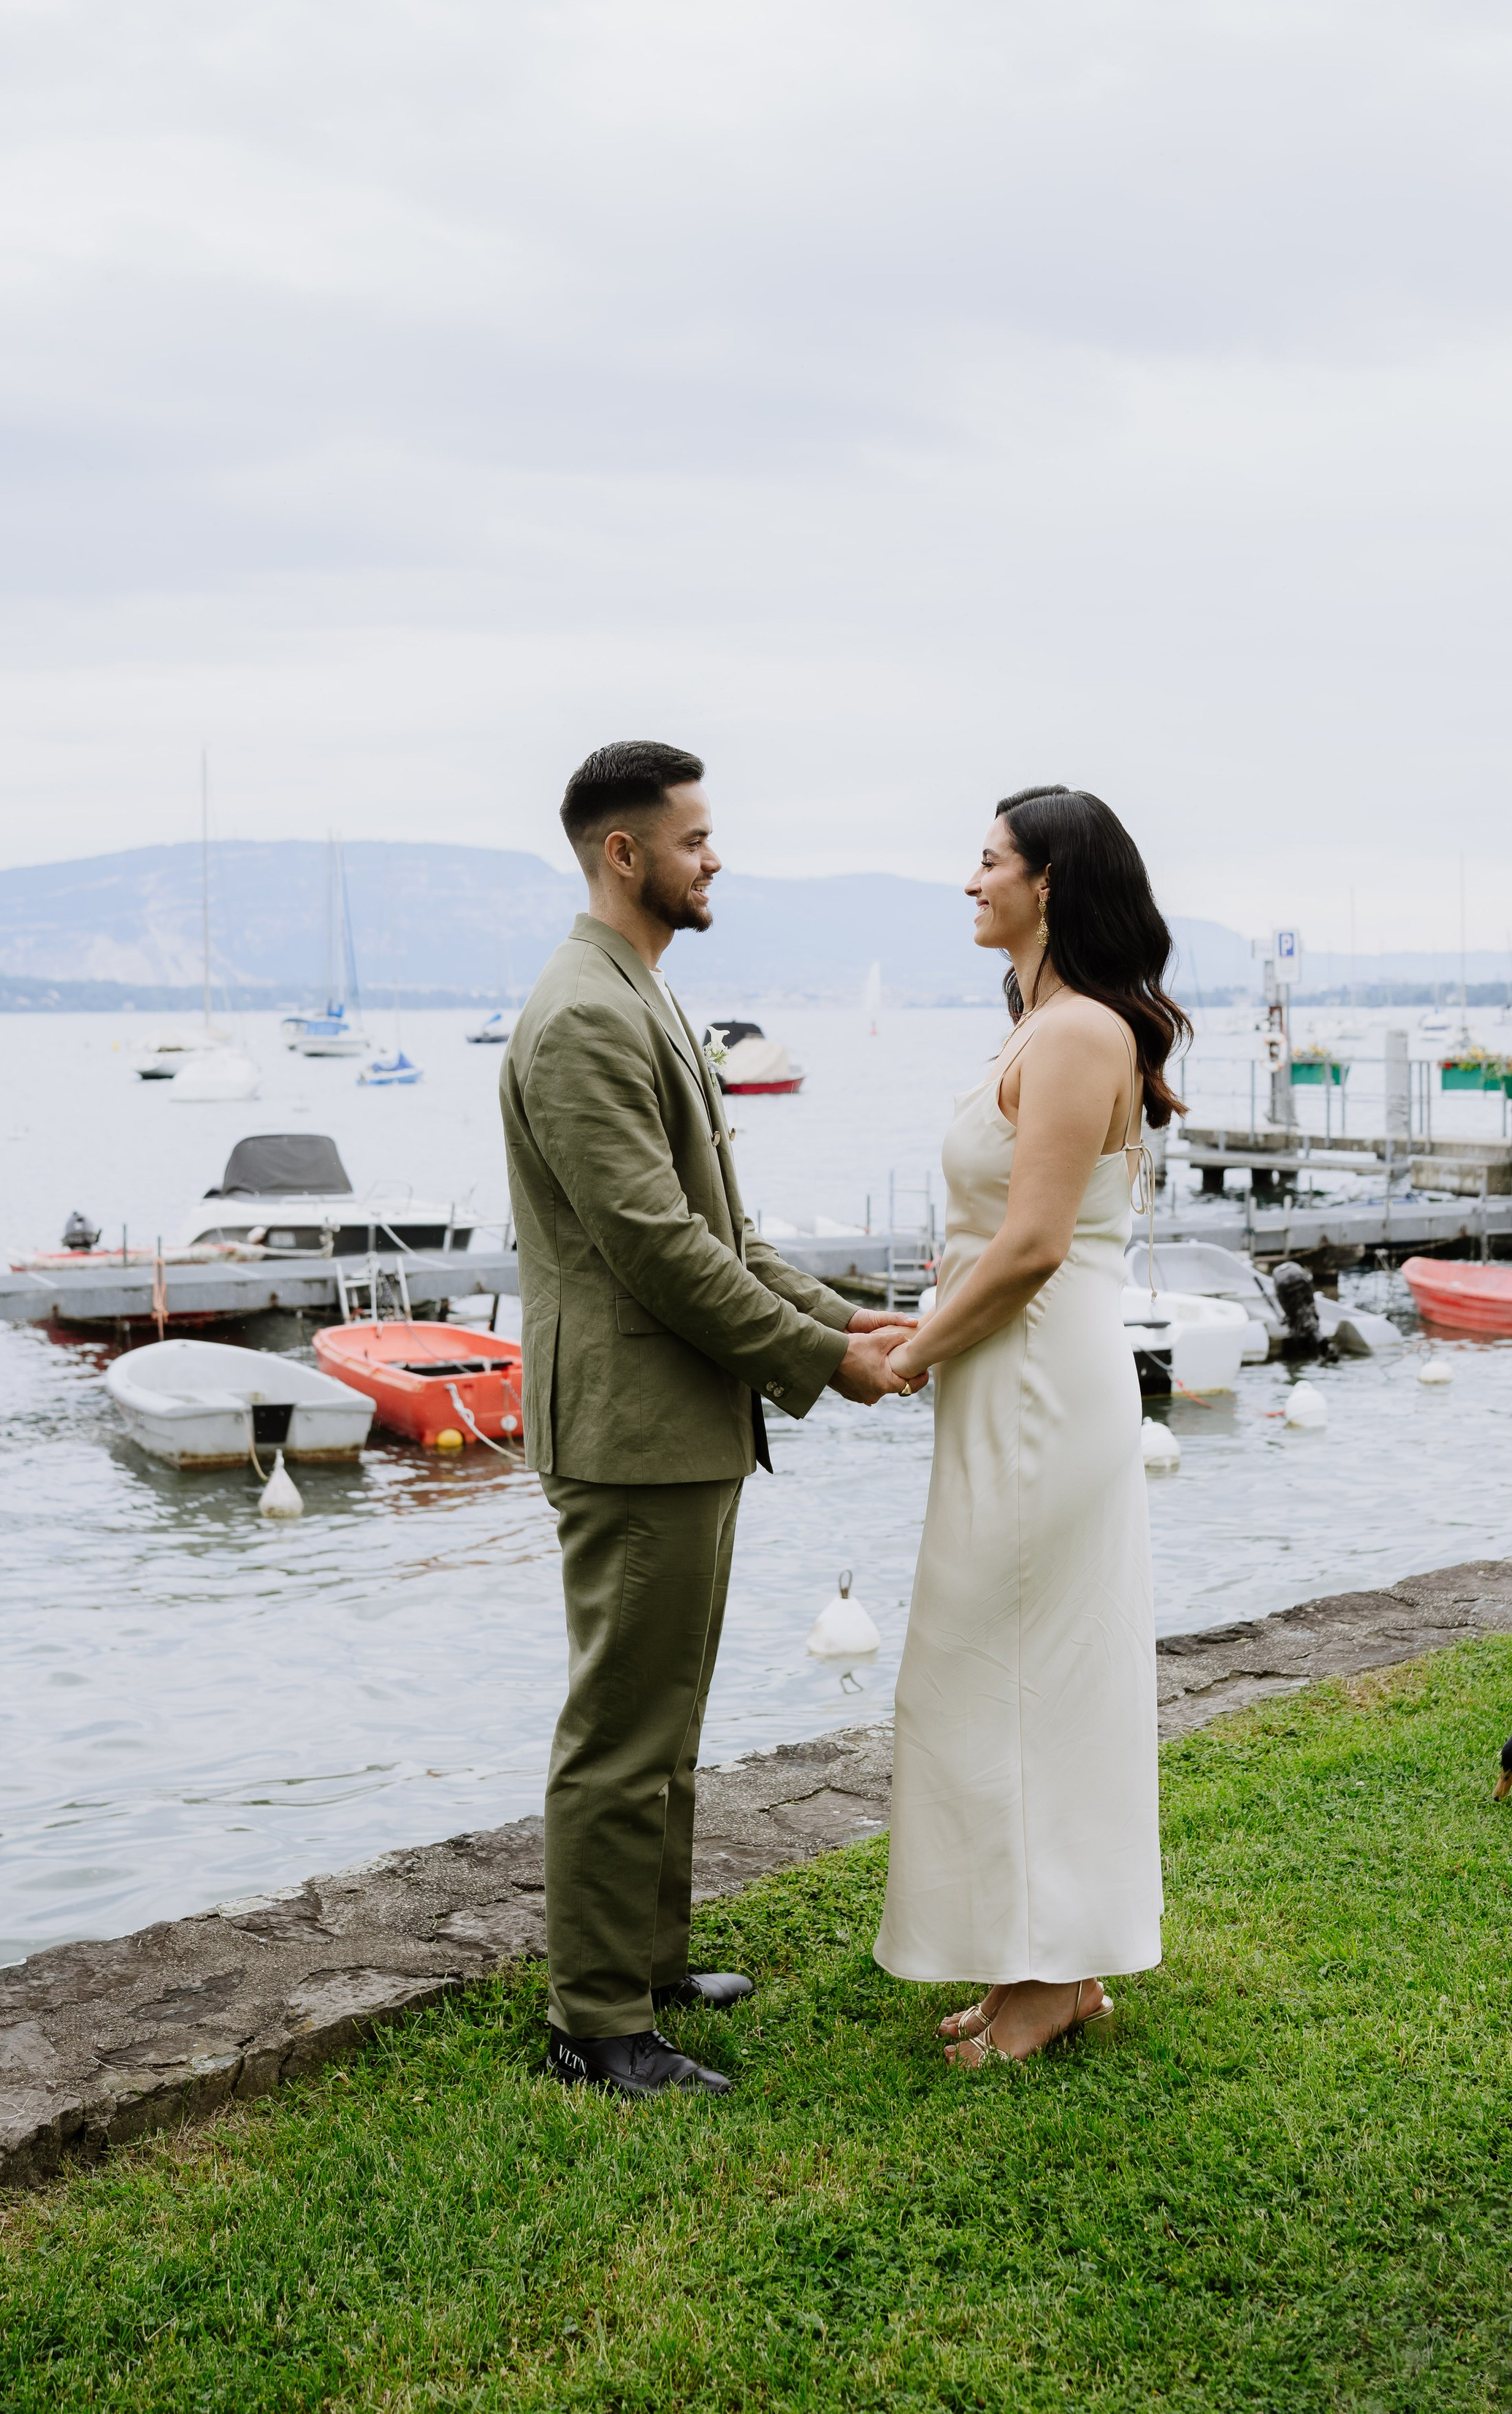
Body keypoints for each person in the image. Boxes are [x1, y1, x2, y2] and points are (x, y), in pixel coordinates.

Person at [501, 739, 920, 2100]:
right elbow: (657, 1252)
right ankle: (595, 2025)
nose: (713, 857)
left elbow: (725, 1235)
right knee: (622, 1726)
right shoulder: (581, 1017)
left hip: (681, 1419)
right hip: (628, 1426)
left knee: (667, 1710)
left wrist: (847, 1313)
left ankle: (649, 1960)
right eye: (693, 838)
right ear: (625, 854)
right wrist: (826, 1360)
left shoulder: (644, 995)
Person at [871, 784, 1188, 2063]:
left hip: (1039, 1389)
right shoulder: (1041, 1024)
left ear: (1049, 881)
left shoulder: (1074, 1039)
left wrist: (910, 1360)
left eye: (990, 860)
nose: (971, 881)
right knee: (1002, 1669)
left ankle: (1052, 1977)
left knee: (1017, 1672)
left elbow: (1035, 1248)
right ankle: (1040, 1963)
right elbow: (985, 1244)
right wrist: (919, 1335)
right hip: (1004, 1381)